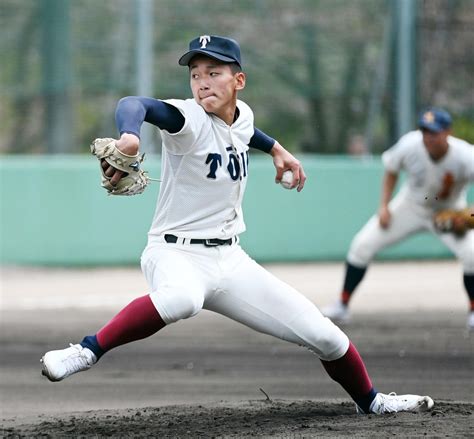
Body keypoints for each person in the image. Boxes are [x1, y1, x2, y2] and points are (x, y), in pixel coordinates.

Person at [40, 35, 434, 415]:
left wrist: (277, 149)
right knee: (183, 299)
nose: (202, 82)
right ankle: (86, 351)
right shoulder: (187, 118)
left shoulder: (242, 115)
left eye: (213, 72)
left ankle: (372, 402)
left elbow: (245, 130)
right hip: (174, 252)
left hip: (231, 261)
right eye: (195, 74)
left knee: (327, 336)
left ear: (239, 81)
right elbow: (135, 103)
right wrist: (129, 136)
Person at [323, 108, 474, 330]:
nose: (428, 137)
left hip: (449, 211)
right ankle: (342, 304)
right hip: (411, 207)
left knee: (472, 255)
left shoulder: (465, 155)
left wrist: (470, 216)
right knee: (362, 245)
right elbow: (391, 169)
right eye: (424, 131)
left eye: (434, 132)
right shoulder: (411, 144)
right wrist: (384, 206)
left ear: (447, 132)